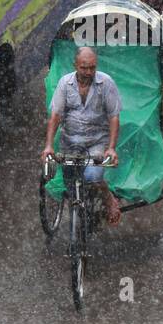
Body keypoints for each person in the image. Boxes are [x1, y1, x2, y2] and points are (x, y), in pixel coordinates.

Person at [42, 46, 123, 225]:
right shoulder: (65, 83)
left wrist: (111, 148)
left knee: (93, 177)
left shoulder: (106, 83)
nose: (88, 72)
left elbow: (114, 117)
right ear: (75, 65)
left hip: (97, 142)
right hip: (70, 141)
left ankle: (108, 199)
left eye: (92, 68)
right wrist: (48, 145)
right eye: (83, 68)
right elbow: (55, 116)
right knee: (71, 183)